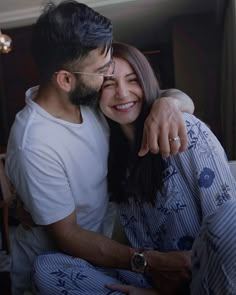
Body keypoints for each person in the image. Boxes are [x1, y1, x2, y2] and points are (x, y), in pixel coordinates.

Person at [5, 1, 194, 294]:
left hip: (107, 248)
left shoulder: (88, 98)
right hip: (61, 268)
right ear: (66, 79)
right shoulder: (35, 144)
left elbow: (166, 98)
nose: (110, 75)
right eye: (102, 69)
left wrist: (168, 104)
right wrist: (148, 261)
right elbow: (68, 236)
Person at [33, 41, 236, 295]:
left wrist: (169, 103)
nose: (122, 93)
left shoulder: (184, 130)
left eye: (133, 80)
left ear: (148, 82)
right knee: (46, 266)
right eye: (108, 84)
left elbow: (225, 222)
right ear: (96, 93)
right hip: (152, 276)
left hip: (210, 272)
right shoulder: (107, 153)